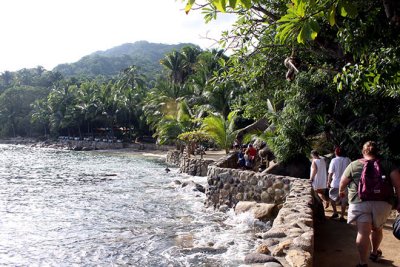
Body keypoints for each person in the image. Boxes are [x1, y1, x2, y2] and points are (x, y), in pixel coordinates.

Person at [339, 141, 400, 267]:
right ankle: (374, 252)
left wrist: (341, 192)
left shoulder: (354, 165)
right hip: (383, 203)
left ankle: (362, 263)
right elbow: (398, 186)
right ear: (378, 151)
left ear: (363, 151)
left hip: (359, 202)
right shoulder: (388, 164)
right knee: (377, 229)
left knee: (363, 232)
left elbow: (343, 182)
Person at [328, 146, 351, 222]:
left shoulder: (334, 160)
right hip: (345, 183)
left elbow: (330, 173)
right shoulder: (348, 160)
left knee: (332, 198)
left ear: (336, 152)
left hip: (335, 183)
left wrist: (328, 181)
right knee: (344, 200)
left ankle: (335, 212)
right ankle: (342, 216)